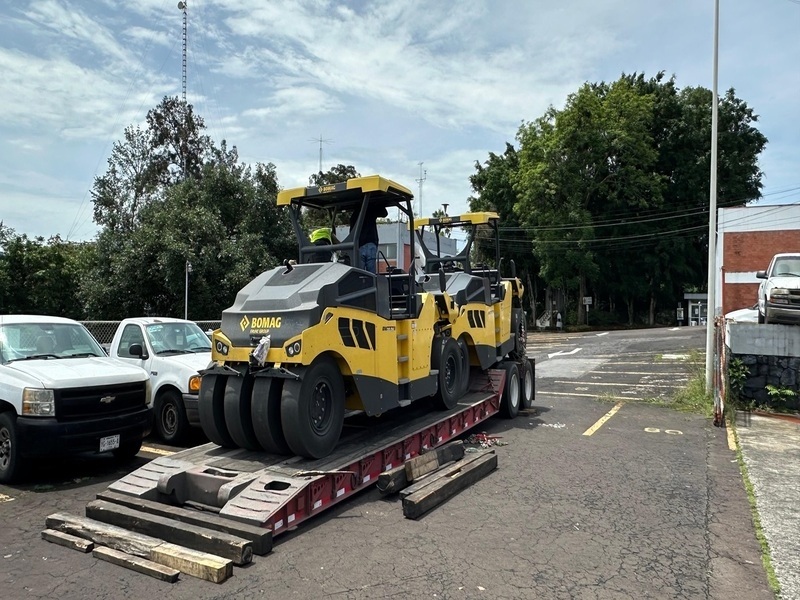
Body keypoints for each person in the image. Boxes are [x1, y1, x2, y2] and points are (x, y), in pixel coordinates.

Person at [350, 204, 388, 274]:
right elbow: (384, 213)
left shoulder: (354, 215)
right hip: (370, 243)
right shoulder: (370, 210)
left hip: (359, 245)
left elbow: (351, 233)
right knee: (371, 274)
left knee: (359, 274)